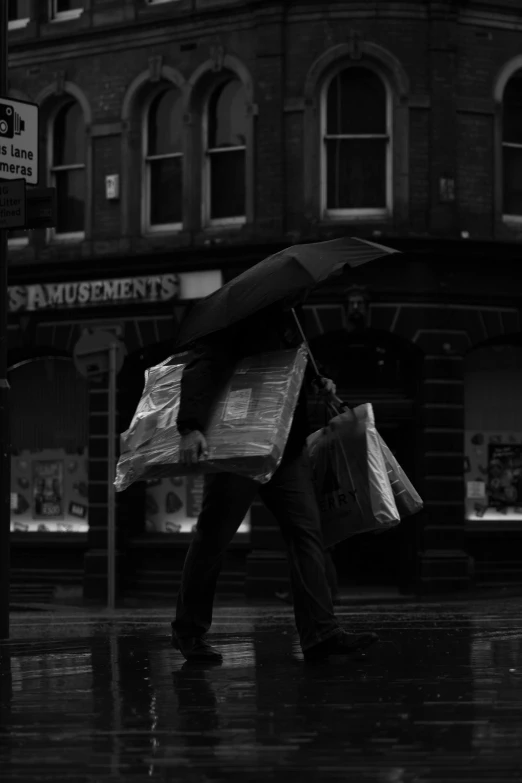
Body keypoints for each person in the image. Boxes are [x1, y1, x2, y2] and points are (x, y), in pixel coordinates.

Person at [171, 300, 379, 662]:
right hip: (242, 447)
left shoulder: (291, 319)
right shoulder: (235, 317)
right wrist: (190, 426)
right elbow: (203, 366)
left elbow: (291, 372)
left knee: (307, 534)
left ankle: (321, 633)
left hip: (287, 449)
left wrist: (319, 380)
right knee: (213, 539)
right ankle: (189, 632)